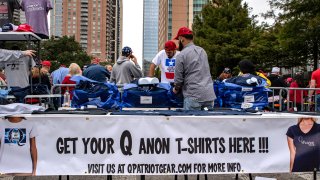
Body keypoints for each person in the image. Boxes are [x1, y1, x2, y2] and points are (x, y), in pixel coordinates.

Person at [172, 26, 216, 110]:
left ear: (181, 39)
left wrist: (175, 89)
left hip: (193, 95)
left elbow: (178, 80)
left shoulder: (181, 55)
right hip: (209, 95)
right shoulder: (202, 51)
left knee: (191, 123)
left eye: (178, 40)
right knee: (208, 123)